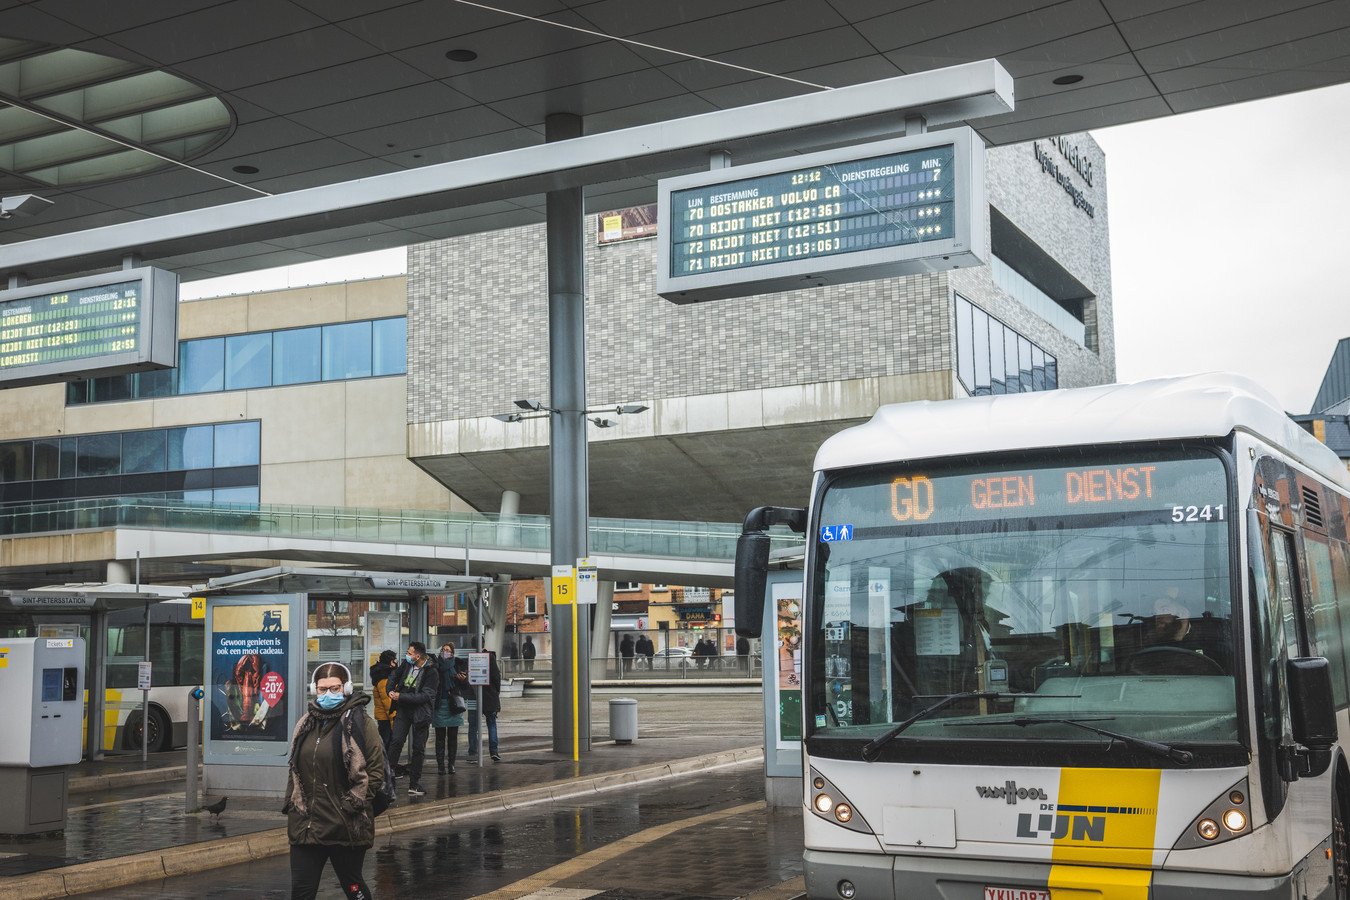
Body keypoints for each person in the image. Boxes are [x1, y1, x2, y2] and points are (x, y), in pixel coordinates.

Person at [284, 661, 385, 900]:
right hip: (307, 825)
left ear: (346, 688)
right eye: (322, 689)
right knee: (301, 891)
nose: (328, 693)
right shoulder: (306, 723)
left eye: (335, 688)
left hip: (345, 823)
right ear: (314, 690)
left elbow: (375, 774)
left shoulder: (361, 724)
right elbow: (295, 770)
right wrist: (292, 805)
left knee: (353, 886)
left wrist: (349, 806)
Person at [385, 642, 438, 795]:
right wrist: (390, 690)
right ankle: (388, 780)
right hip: (403, 709)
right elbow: (394, 675)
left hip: (421, 712)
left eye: (410, 653)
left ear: (418, 656)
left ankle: (414, 784)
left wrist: (400, 696)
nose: (407, 656)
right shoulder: (407, 664)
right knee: (396, 742)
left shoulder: (432, 672)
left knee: (418, 748)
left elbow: (425, 696)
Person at [459, 648, 503, 761]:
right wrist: (496, 691)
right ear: (483, 645)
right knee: (491, 723)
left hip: (473, 696)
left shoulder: (468, 657)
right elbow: (496, 676)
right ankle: (493, 751)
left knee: (473, 726)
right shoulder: (490, 657)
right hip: (489, 696)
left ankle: (473, 753)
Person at [432, 643, 463, 775]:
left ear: (452, 653)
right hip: (440, 704)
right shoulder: (435, 665)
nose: (445, 652)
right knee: (440, 737)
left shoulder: (457, 664)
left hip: (453, 704)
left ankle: (451, 764)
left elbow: (465, 686)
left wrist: (462, 680)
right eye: (443, 650)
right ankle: (440, 765)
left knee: (452, 737)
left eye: (448, 650)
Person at [369, 650, 397, 749]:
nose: (396, 663)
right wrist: (394, 723)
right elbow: (389, 704)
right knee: (387, 744)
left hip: (385, 718)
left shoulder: (383, 676)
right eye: (395, 661)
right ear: (391, 662)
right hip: (386, 719)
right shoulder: (385, 679)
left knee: (386, 743)